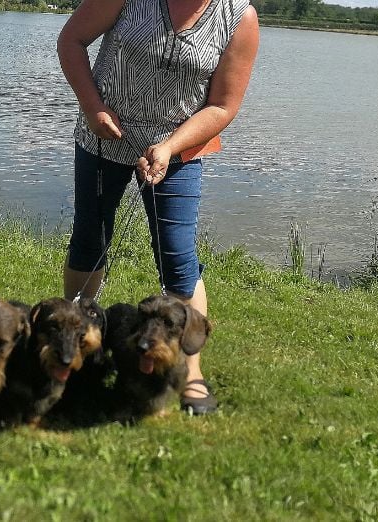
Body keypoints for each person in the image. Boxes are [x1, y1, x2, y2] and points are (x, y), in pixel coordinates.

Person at [58, 0, 259, 415]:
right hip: (103, 136)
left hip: (178, 150)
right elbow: (71, 41)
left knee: (177, 257)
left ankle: (190, 368)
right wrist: (93, 107)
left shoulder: (239, 17)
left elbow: (223, 105)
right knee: (89, 240)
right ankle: (76, 345)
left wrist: (169, 146)